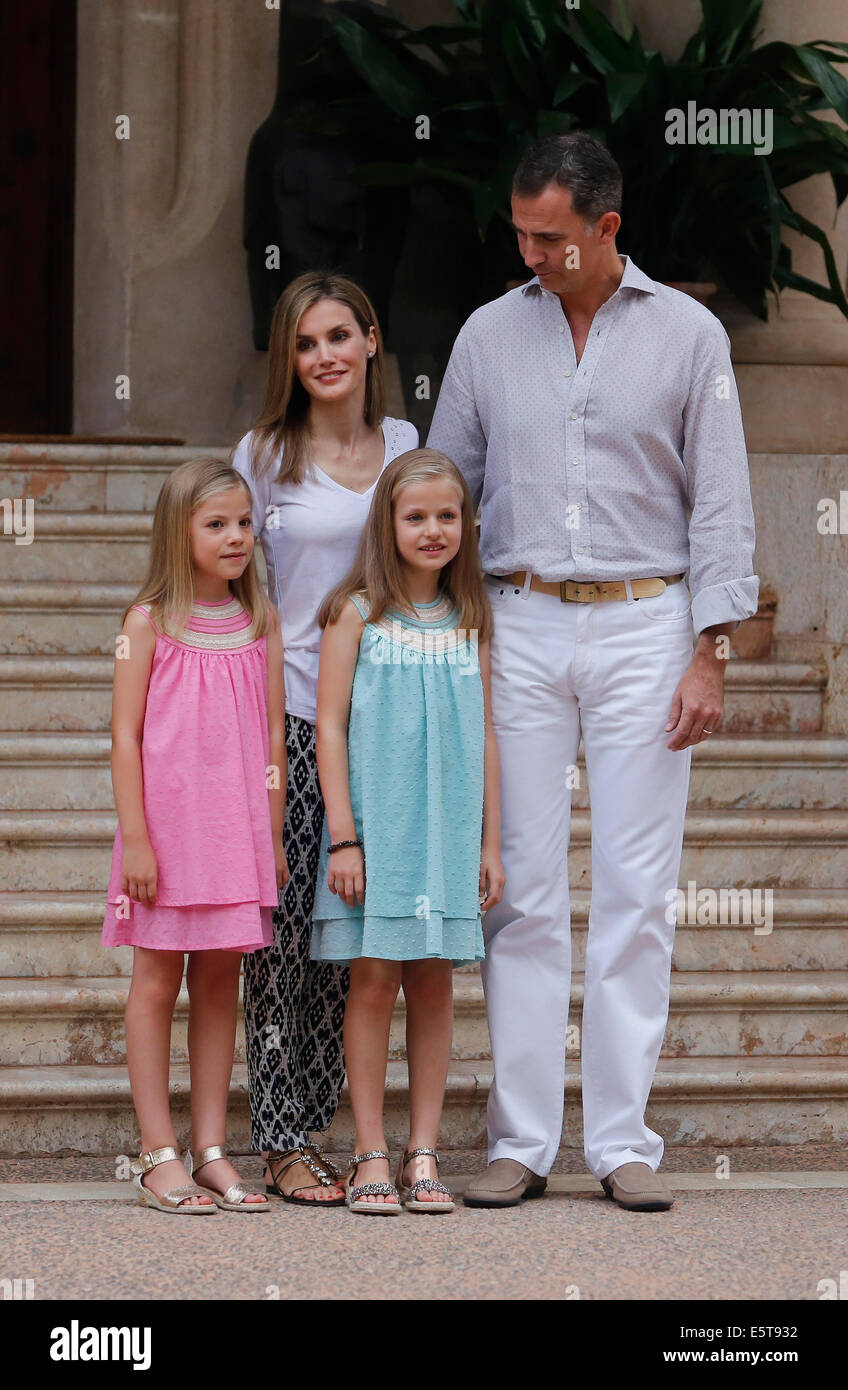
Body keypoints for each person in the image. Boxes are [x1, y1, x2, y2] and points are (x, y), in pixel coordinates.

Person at [428, 132, 758, 1212]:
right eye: (519, 232)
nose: (528, 252)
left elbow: (718, 499)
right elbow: (443, 489)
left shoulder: (689, 335)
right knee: (515, 889)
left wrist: (709, 651)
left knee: (634, 893)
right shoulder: (486, 334)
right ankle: (519, 1140)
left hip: (644, 623)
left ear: (605, 229)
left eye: (549, 237)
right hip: (516, 619)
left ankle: (620, 1140)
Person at [232, 272, 418, 1205]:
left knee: (351, 941)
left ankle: (322, 1123)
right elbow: (244, 590)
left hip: (385, 721)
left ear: (373, 339)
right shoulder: (264, 454)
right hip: (292, 712)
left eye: (339, 335)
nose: (324, 357)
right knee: (278, 937)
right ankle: (279, 1139)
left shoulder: (410, 450)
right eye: (305, 345)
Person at [310, 449, 504, 1214]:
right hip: (379, 831)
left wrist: (488, 843)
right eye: (415, 515)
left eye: (447, 516)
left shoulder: (472, 618)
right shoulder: (354, 612)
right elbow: (328, 726)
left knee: (433, 980)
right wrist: (345, 836)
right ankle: (369, 1153)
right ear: (387, 523)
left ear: (466, 524)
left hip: (448, 833)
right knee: (372, 979)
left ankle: (424, 1151)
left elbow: (486, 732)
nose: (432, 530)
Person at [102, 457, 287, 1213]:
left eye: (244, 522)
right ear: (179, 534)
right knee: (156, 984)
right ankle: (157, 1152)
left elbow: (274, 736)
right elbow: (124, 735)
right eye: (216, 524)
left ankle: (211, 1146)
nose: (236, 536)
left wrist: (270, 837)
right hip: (167, 839)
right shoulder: (146, 624)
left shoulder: (261, 622)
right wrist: (137, 841)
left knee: (221, 983)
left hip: (235, 837)